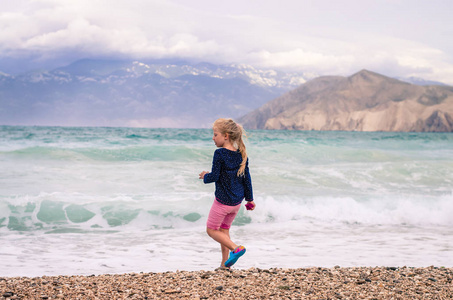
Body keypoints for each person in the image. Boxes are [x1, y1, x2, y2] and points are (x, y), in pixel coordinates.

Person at [199, 118, 255, 269]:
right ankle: (225, 265)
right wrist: (250, 200)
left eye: (215, 134)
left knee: (211, 230)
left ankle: (236, 248)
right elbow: (247, 179)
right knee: (224, 231)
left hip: (223, 202)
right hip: (236, 203)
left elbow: (215, 176)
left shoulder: (220, 154)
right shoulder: (241, 155)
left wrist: (205, 176)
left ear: (226, 136)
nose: (213, 138)